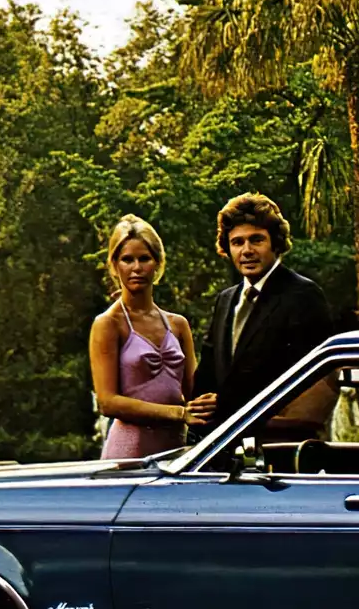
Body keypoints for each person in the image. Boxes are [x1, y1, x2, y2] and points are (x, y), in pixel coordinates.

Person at [193, 192, 335, 433]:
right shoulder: (225, 300)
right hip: (223, 441)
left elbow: (311, 381)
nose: (246, 250)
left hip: (279, 440)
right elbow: (208, 374)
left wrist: (227, 404)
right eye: (237, 242)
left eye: (256, 240)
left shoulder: (303, 295)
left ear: (275, 243)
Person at [90, 215, 213, 459]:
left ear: (157, 262)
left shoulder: (178, 325)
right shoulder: (108, 324)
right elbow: (107, 402)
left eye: (144, 258)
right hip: (129, 453)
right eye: (127, 259)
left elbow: (195, 394)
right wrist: (178, 413)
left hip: (177, 451)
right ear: (114, 265)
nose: (136, 268)